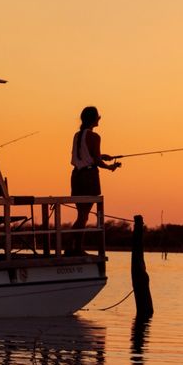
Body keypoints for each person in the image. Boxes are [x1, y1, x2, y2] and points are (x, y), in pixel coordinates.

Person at [69, 106, 121, 255]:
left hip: (76, 176)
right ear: (94, 119)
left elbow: (85, 156)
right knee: (83, 216)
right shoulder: (95, 136)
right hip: (89, 177)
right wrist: (110, 167)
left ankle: (73, 247)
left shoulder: (77, 135)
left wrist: (102, 156)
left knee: (81, 215)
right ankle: (76, 248)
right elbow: (96, 161)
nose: (99, 119)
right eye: (98, 117)